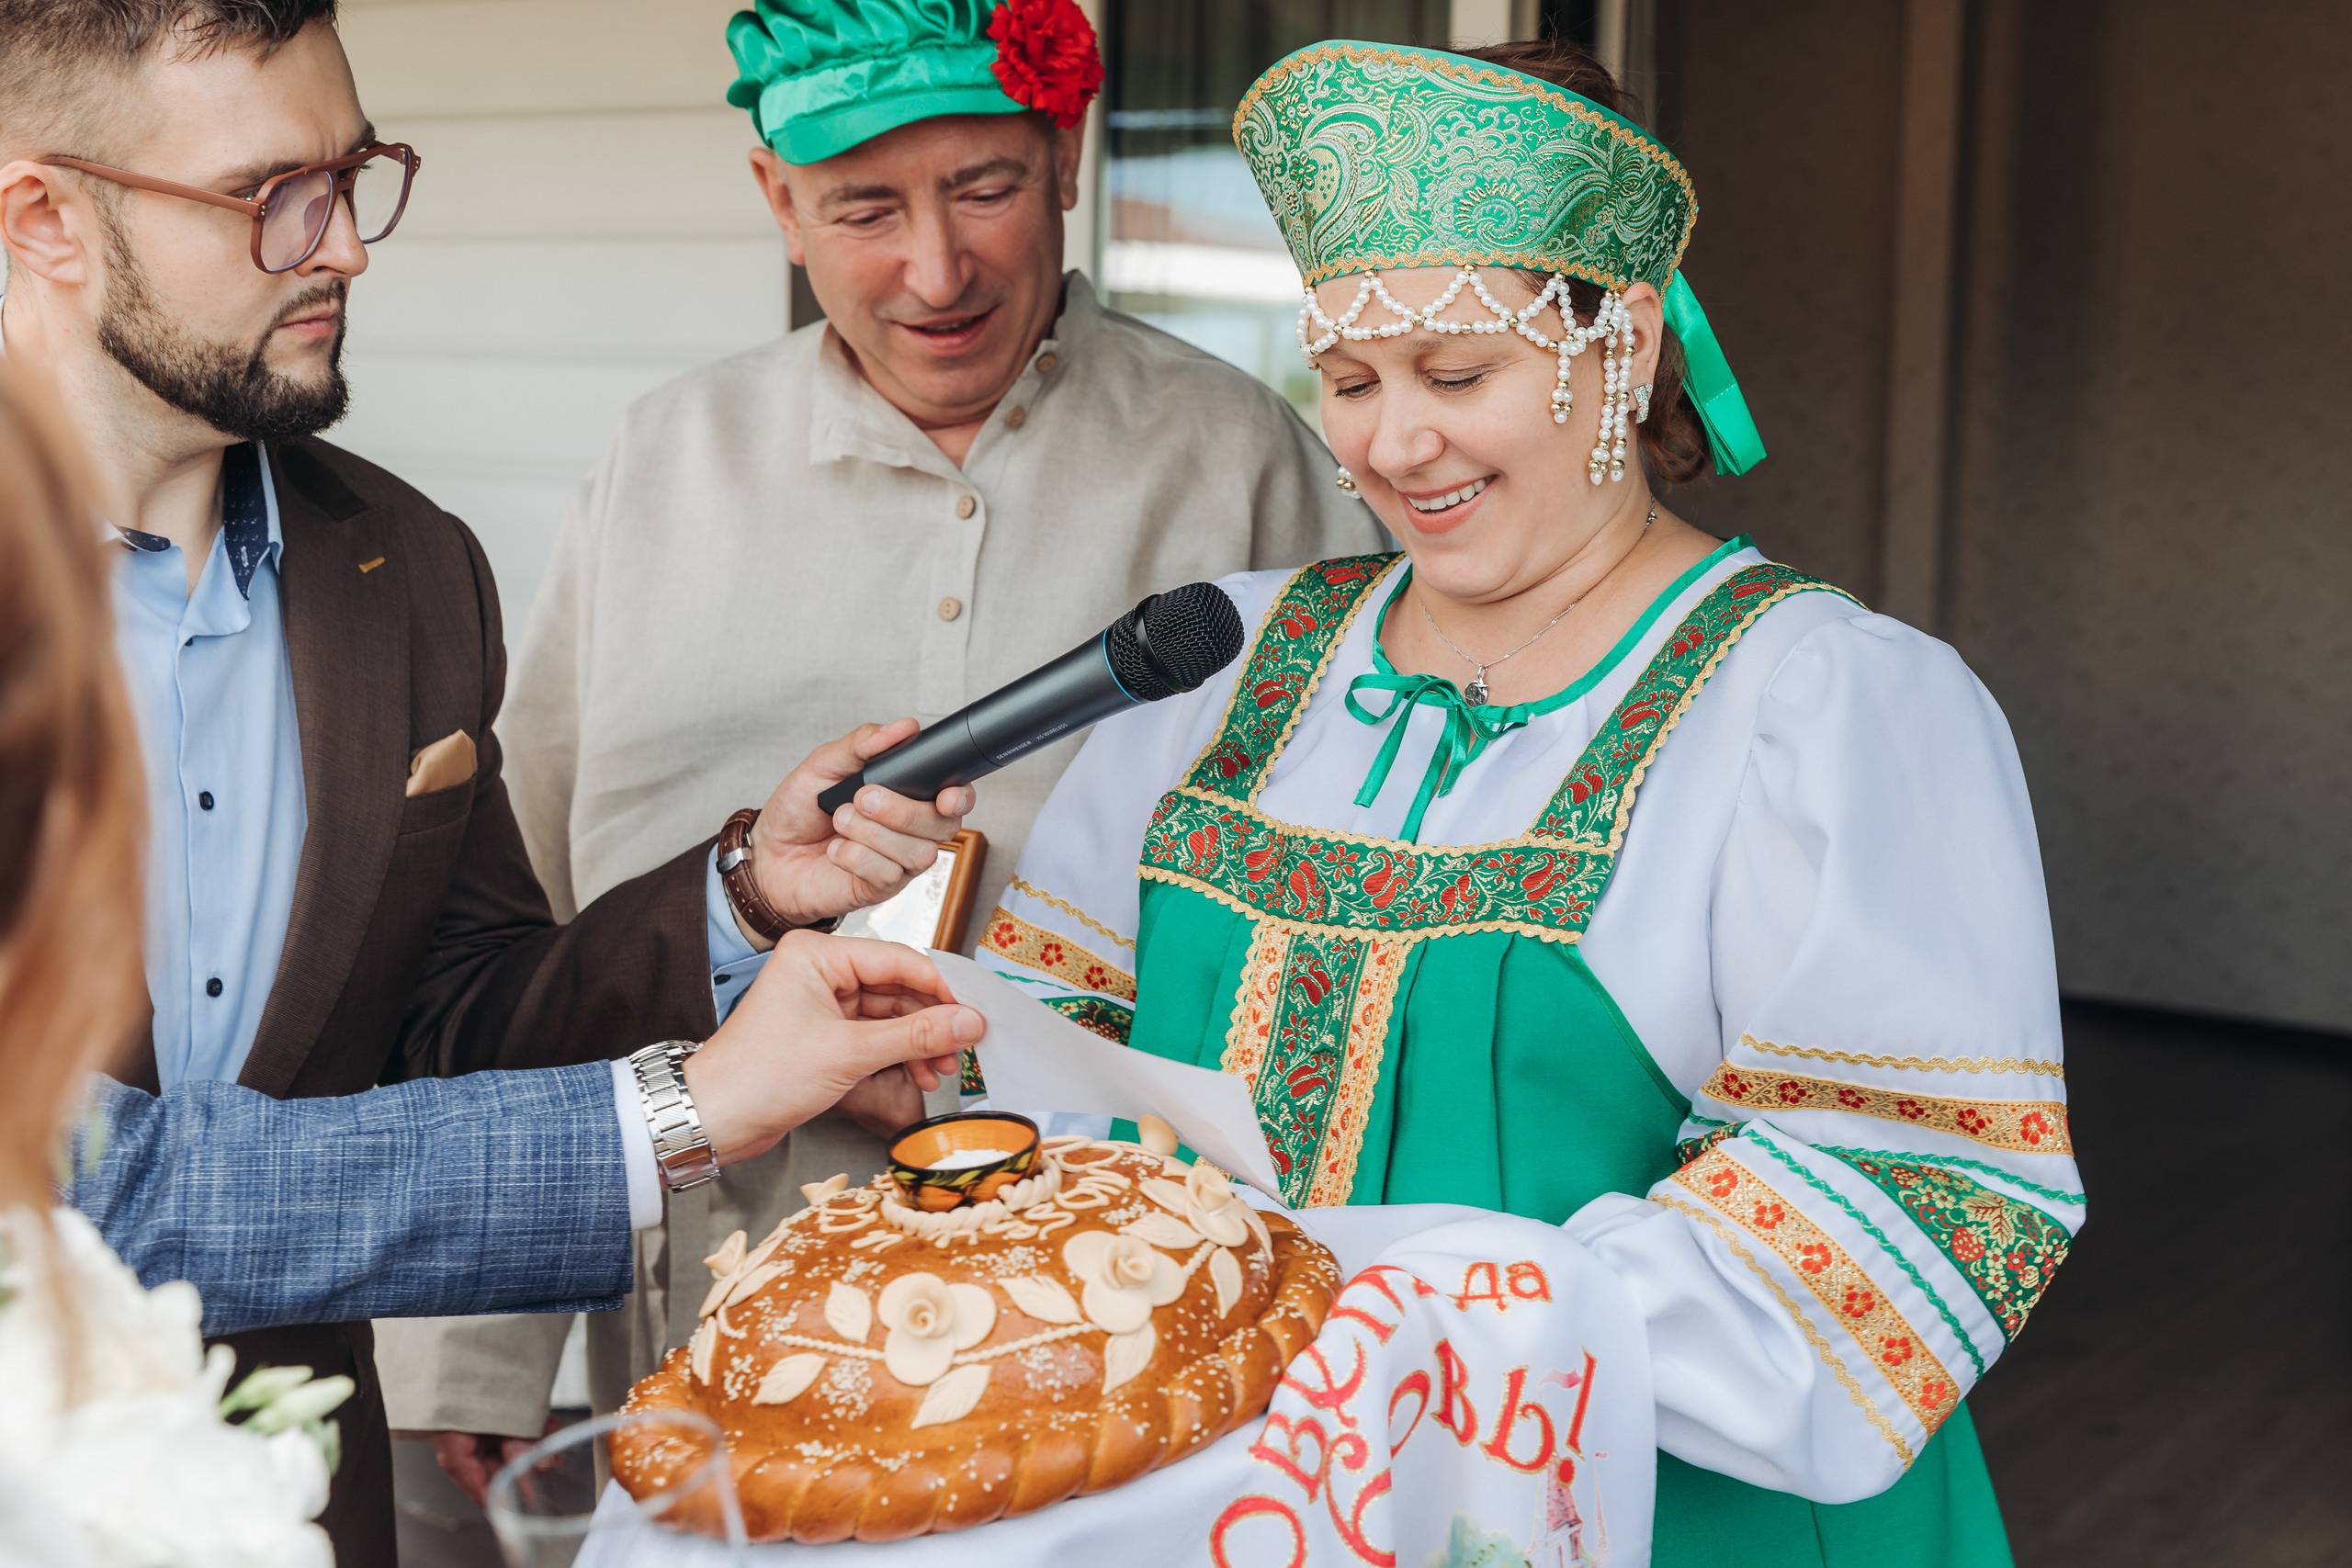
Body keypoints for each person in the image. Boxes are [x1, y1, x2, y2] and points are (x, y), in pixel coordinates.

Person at [983, 38, 2083, 1568]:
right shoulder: (1227, 667)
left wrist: (1404, 1337)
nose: (1389, 442)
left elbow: (1915, 1186)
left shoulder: (1822, 705)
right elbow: (1060, 1034)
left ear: (1621, 343)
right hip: (1231, 1493)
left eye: (1456, 374)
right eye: (1351, 380)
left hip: (1659, 1512)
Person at [0, 5, 972, 1560]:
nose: (347, 249)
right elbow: (74, 1193)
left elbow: (445, 1022)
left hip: (298, 1499)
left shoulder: (410, 564)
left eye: (357, 170)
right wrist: (680, 1113)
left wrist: (737, 904)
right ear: (47, 217)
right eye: (270, 197)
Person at [389, 0, 1387, 1497]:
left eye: (984, 185)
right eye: (864, 206)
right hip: (708, 1304)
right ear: (777, 205)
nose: (938, 271)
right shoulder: (663, 464)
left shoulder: (1249, 458)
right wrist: (482, 1344)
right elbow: (516, 929)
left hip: (1119, 1314)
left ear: (1066, 155)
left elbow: (1345, 908)